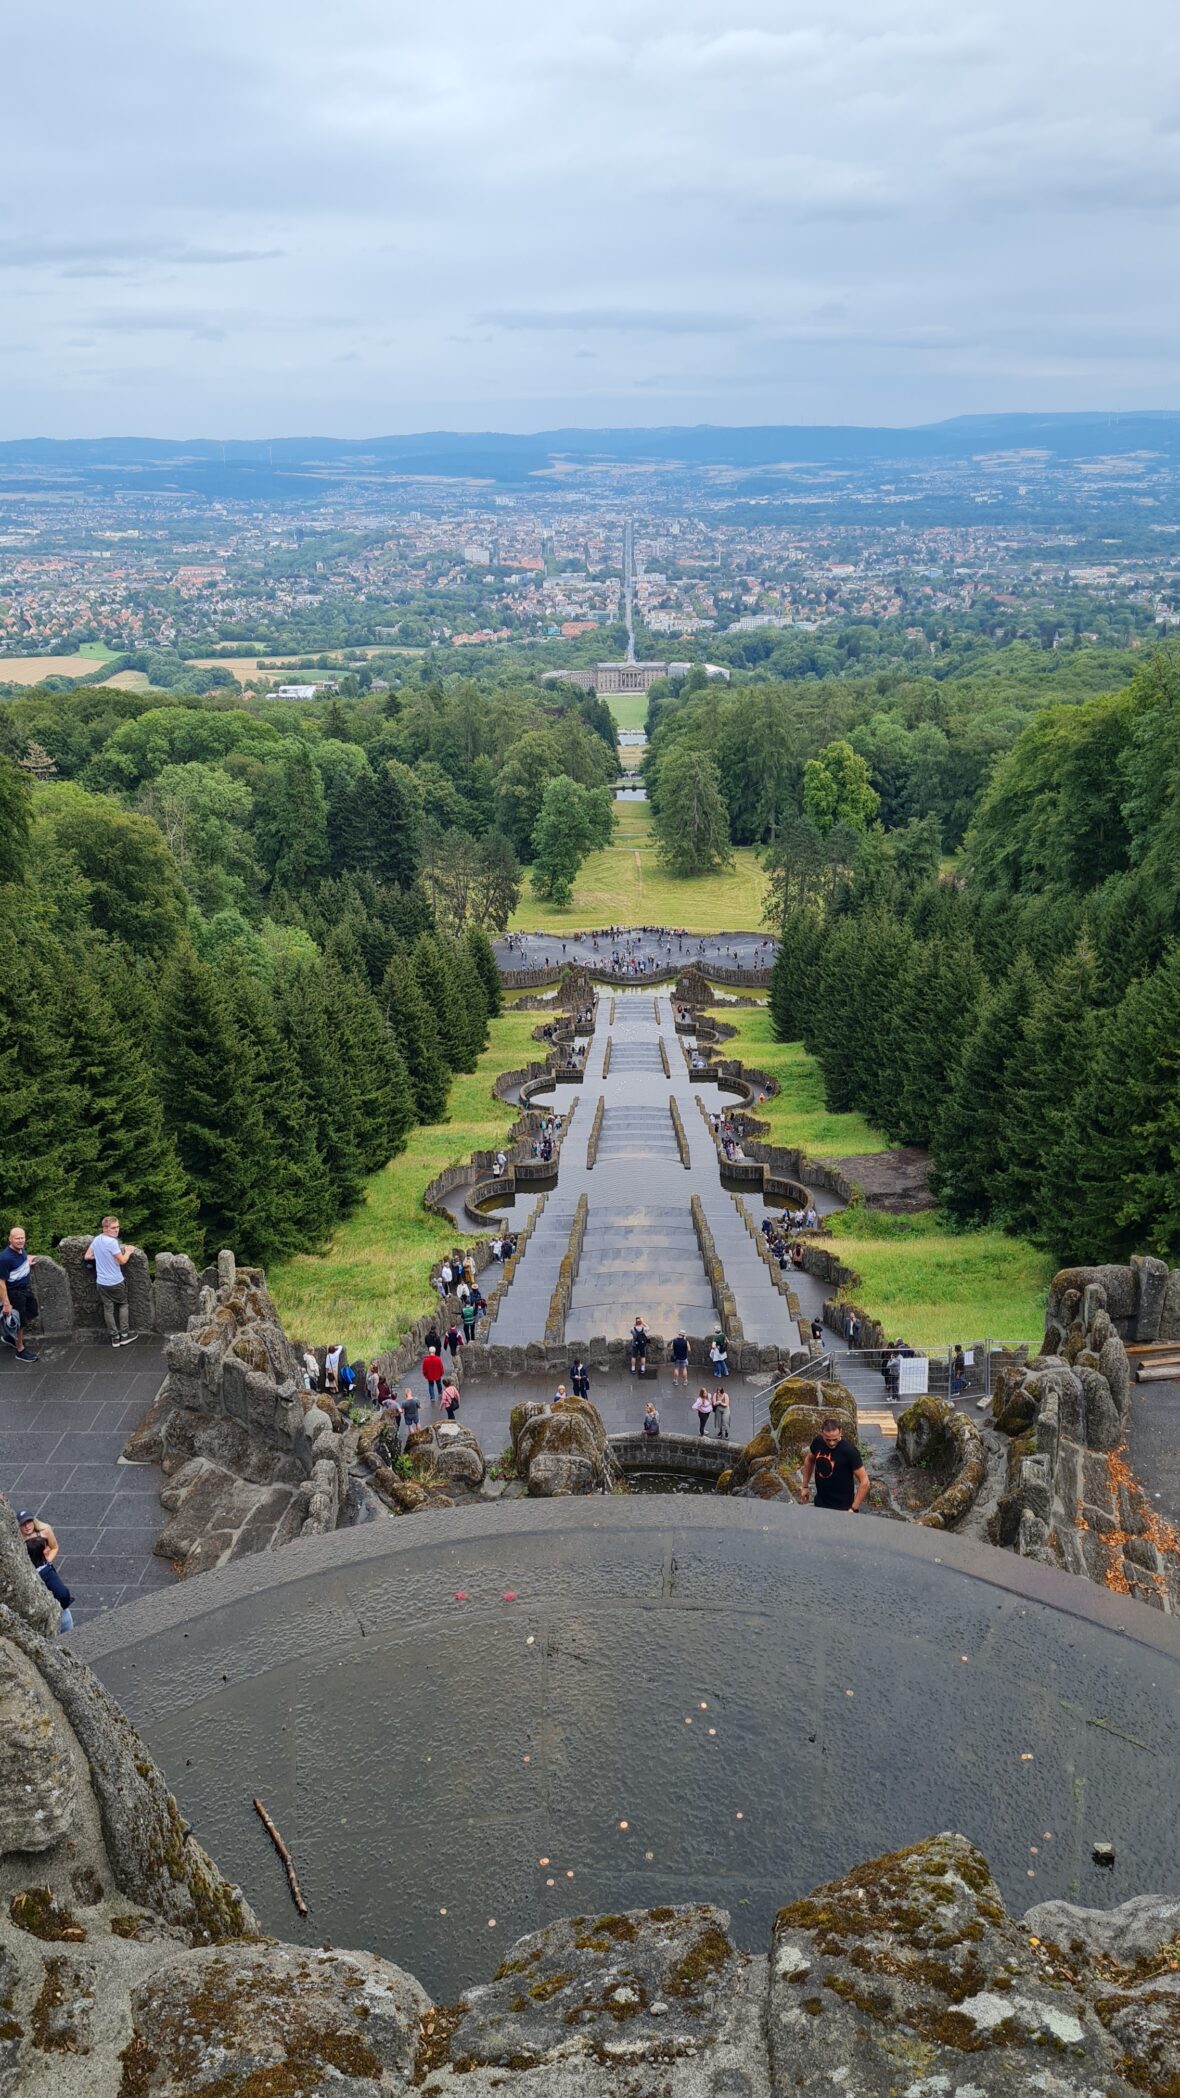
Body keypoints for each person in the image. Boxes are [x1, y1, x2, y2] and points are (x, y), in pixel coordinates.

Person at [84, 1216, 138, 1348]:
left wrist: (101, 1255)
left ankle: (114, 1338)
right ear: (105, 1228)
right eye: (113, 1228)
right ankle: (124, 1335)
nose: (117, 1230)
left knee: (108, 1309)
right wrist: (129, 1251)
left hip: (101, 1282)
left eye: (118, 1227)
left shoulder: (97, 1240)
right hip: (115, 1281)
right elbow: (122, 1261)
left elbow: (87, 1256)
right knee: (123, 1304)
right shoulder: (112, 1242)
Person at [19, 1511, 73, 1631]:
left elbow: (54, 1547)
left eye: (29, 1522)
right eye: (23, 1524)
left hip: (43, 1568)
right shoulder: (17, 1539)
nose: (27, 1526)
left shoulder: (45, 1531)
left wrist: (47, 1560)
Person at [801, 1418, 869, 1513]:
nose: (832, 1443)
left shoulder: (849, 1451)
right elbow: (809, 1460)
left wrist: (854, 1508)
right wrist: (805, 1486)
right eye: (828, 1439)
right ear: (822, 1433)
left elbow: (864, 1481)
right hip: (820, 1503)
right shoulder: (818, 1442)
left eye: (835, 1439)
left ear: (840, 1432)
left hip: (843, 1508)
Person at [0, 1225, 39, 1363]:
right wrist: (6, 1303)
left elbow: (19, 1264)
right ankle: (20, 1350)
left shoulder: (21, 1251)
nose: (20, 1240)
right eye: (17, 1238)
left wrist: (27, 1263)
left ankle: (10, 1336)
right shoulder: (4, 1258)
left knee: (33, 1311)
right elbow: (1, 1282)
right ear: (10, 1239)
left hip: (25, 1290)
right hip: (14, 1293)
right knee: (20, 1322)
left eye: (22, 1237)